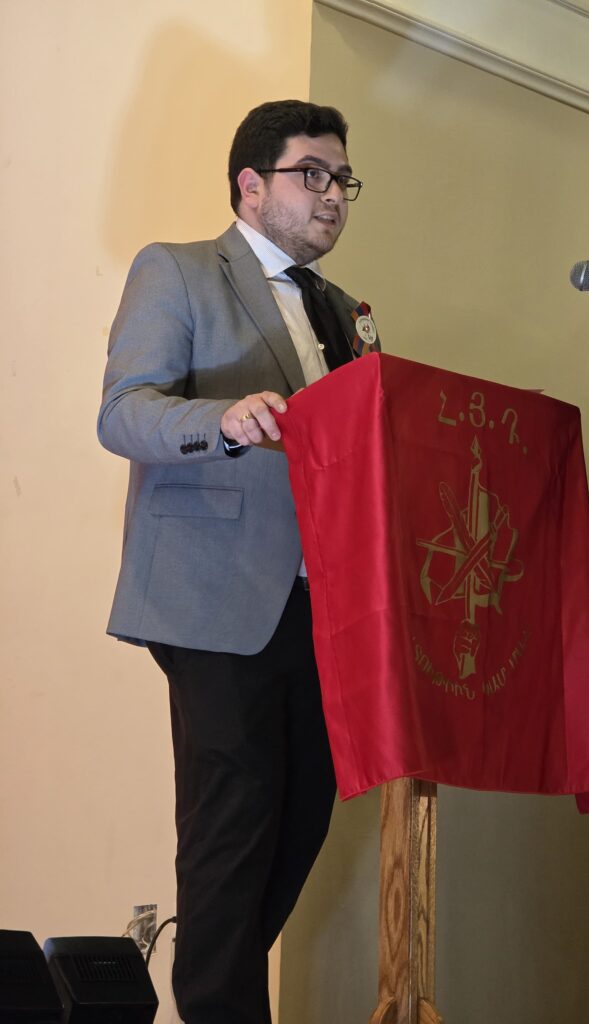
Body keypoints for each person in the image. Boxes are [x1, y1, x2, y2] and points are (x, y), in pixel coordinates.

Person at [98, 99, 377, 1024]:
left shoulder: (344, 311)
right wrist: (222, 420)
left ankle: (216, 993)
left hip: (324, 605)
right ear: (251, 185)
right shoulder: (178, 270)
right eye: (312, 174)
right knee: (232, 830)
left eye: (343, 180)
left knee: (301, 821)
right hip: (216, 595)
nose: (332, 196)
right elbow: (124, 411)